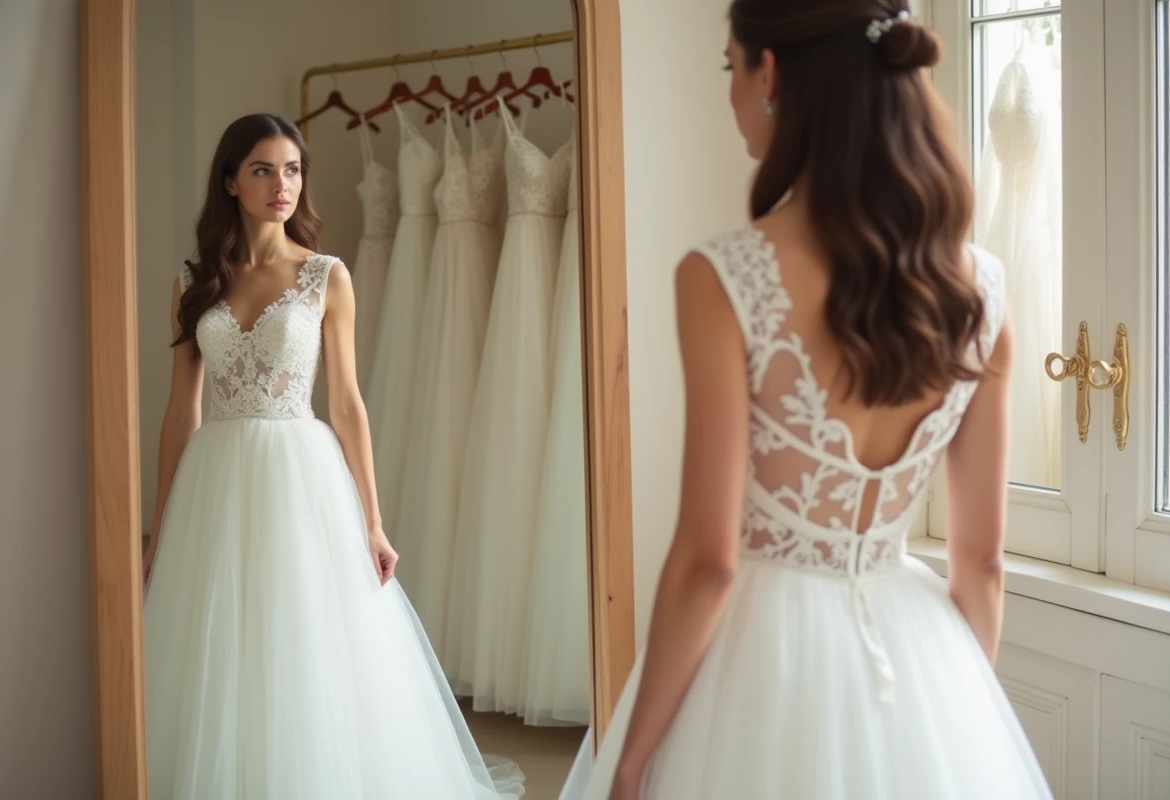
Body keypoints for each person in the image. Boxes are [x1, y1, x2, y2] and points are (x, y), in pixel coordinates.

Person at [566, 3, 1053, 799]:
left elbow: (710, 562)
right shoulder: (982, 289)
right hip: (918, 649)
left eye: (731, 69)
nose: (729, 97)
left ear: (774, 75)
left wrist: (630, 761)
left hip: (760, 661)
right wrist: (958, 716)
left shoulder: (726, 275)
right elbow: (983, 562)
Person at [140, 113, 525, 800]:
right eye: (262, 169)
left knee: (304, 631)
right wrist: (159, 525)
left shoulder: (326, 276)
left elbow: (347, 404)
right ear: (230, 181)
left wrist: (373, 521)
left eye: (291, 170)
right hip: (216, 480)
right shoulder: (192, 282)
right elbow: (180, 414)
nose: (280, 184)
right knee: (219, 640)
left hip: (300, 474)